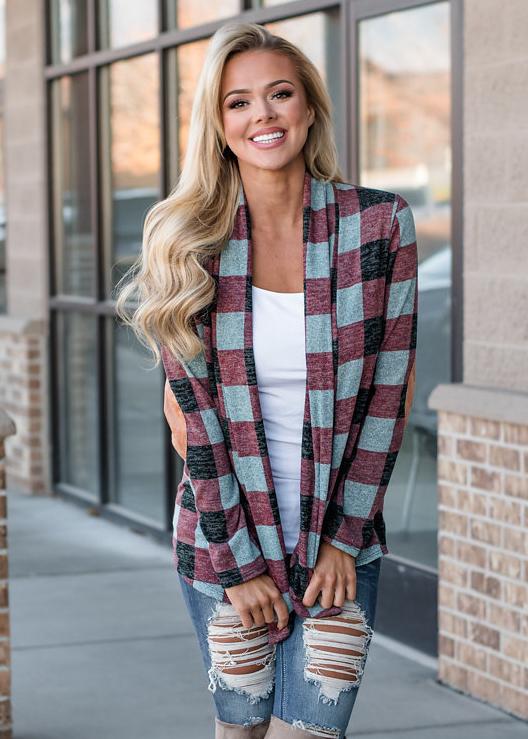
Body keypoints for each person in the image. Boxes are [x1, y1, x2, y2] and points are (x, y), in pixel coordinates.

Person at [115, 20, 417, 739]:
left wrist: (344, 538)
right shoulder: (186, 237)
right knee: (241, 732)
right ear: (218, 125)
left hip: (336, 548)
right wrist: (240, 564)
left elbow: (387, 397)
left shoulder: (378, 226)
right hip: (224, 544)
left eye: (279, 95)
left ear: (309, 106)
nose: (263, 116)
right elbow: (192, 419)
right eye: (239, 102)